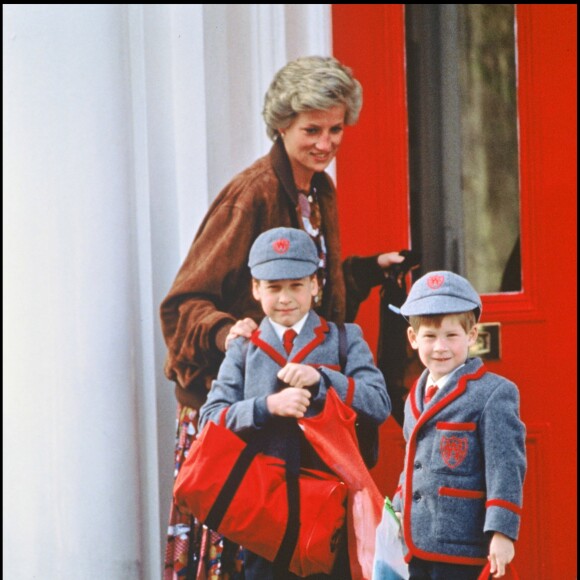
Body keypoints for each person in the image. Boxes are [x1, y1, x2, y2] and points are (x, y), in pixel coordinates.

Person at [160, 55, 406, 579]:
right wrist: (230, 335)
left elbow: (313, 288)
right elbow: (183, 304)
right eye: (311, 129)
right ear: (280, 125)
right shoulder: (251, 194)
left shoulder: (318, 189)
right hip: (240, 414)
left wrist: (363, 270)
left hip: (301, 416)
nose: (326, 142)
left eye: (336, 129)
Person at [199, 227, 391, 579]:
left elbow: (379, 403)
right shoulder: (243, 348)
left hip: (332, 509)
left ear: (315, 285)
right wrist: (267, 406)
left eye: (296, 285)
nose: (285, 297)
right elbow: (209, 420)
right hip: (264, 512)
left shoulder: (344, 339)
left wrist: (322, 380)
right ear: (256, 289)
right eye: (273, 287)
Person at [391, 271, 526, 580]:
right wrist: (398, 507)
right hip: (415, 542)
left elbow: (505, 467)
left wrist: (502, 532)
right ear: (413, 339)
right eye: (429, 336)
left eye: (451, 336)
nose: (440, 347)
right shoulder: (415, 393)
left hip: (463, 544)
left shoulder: (494, 393)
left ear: (472, 335)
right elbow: (414, 462)